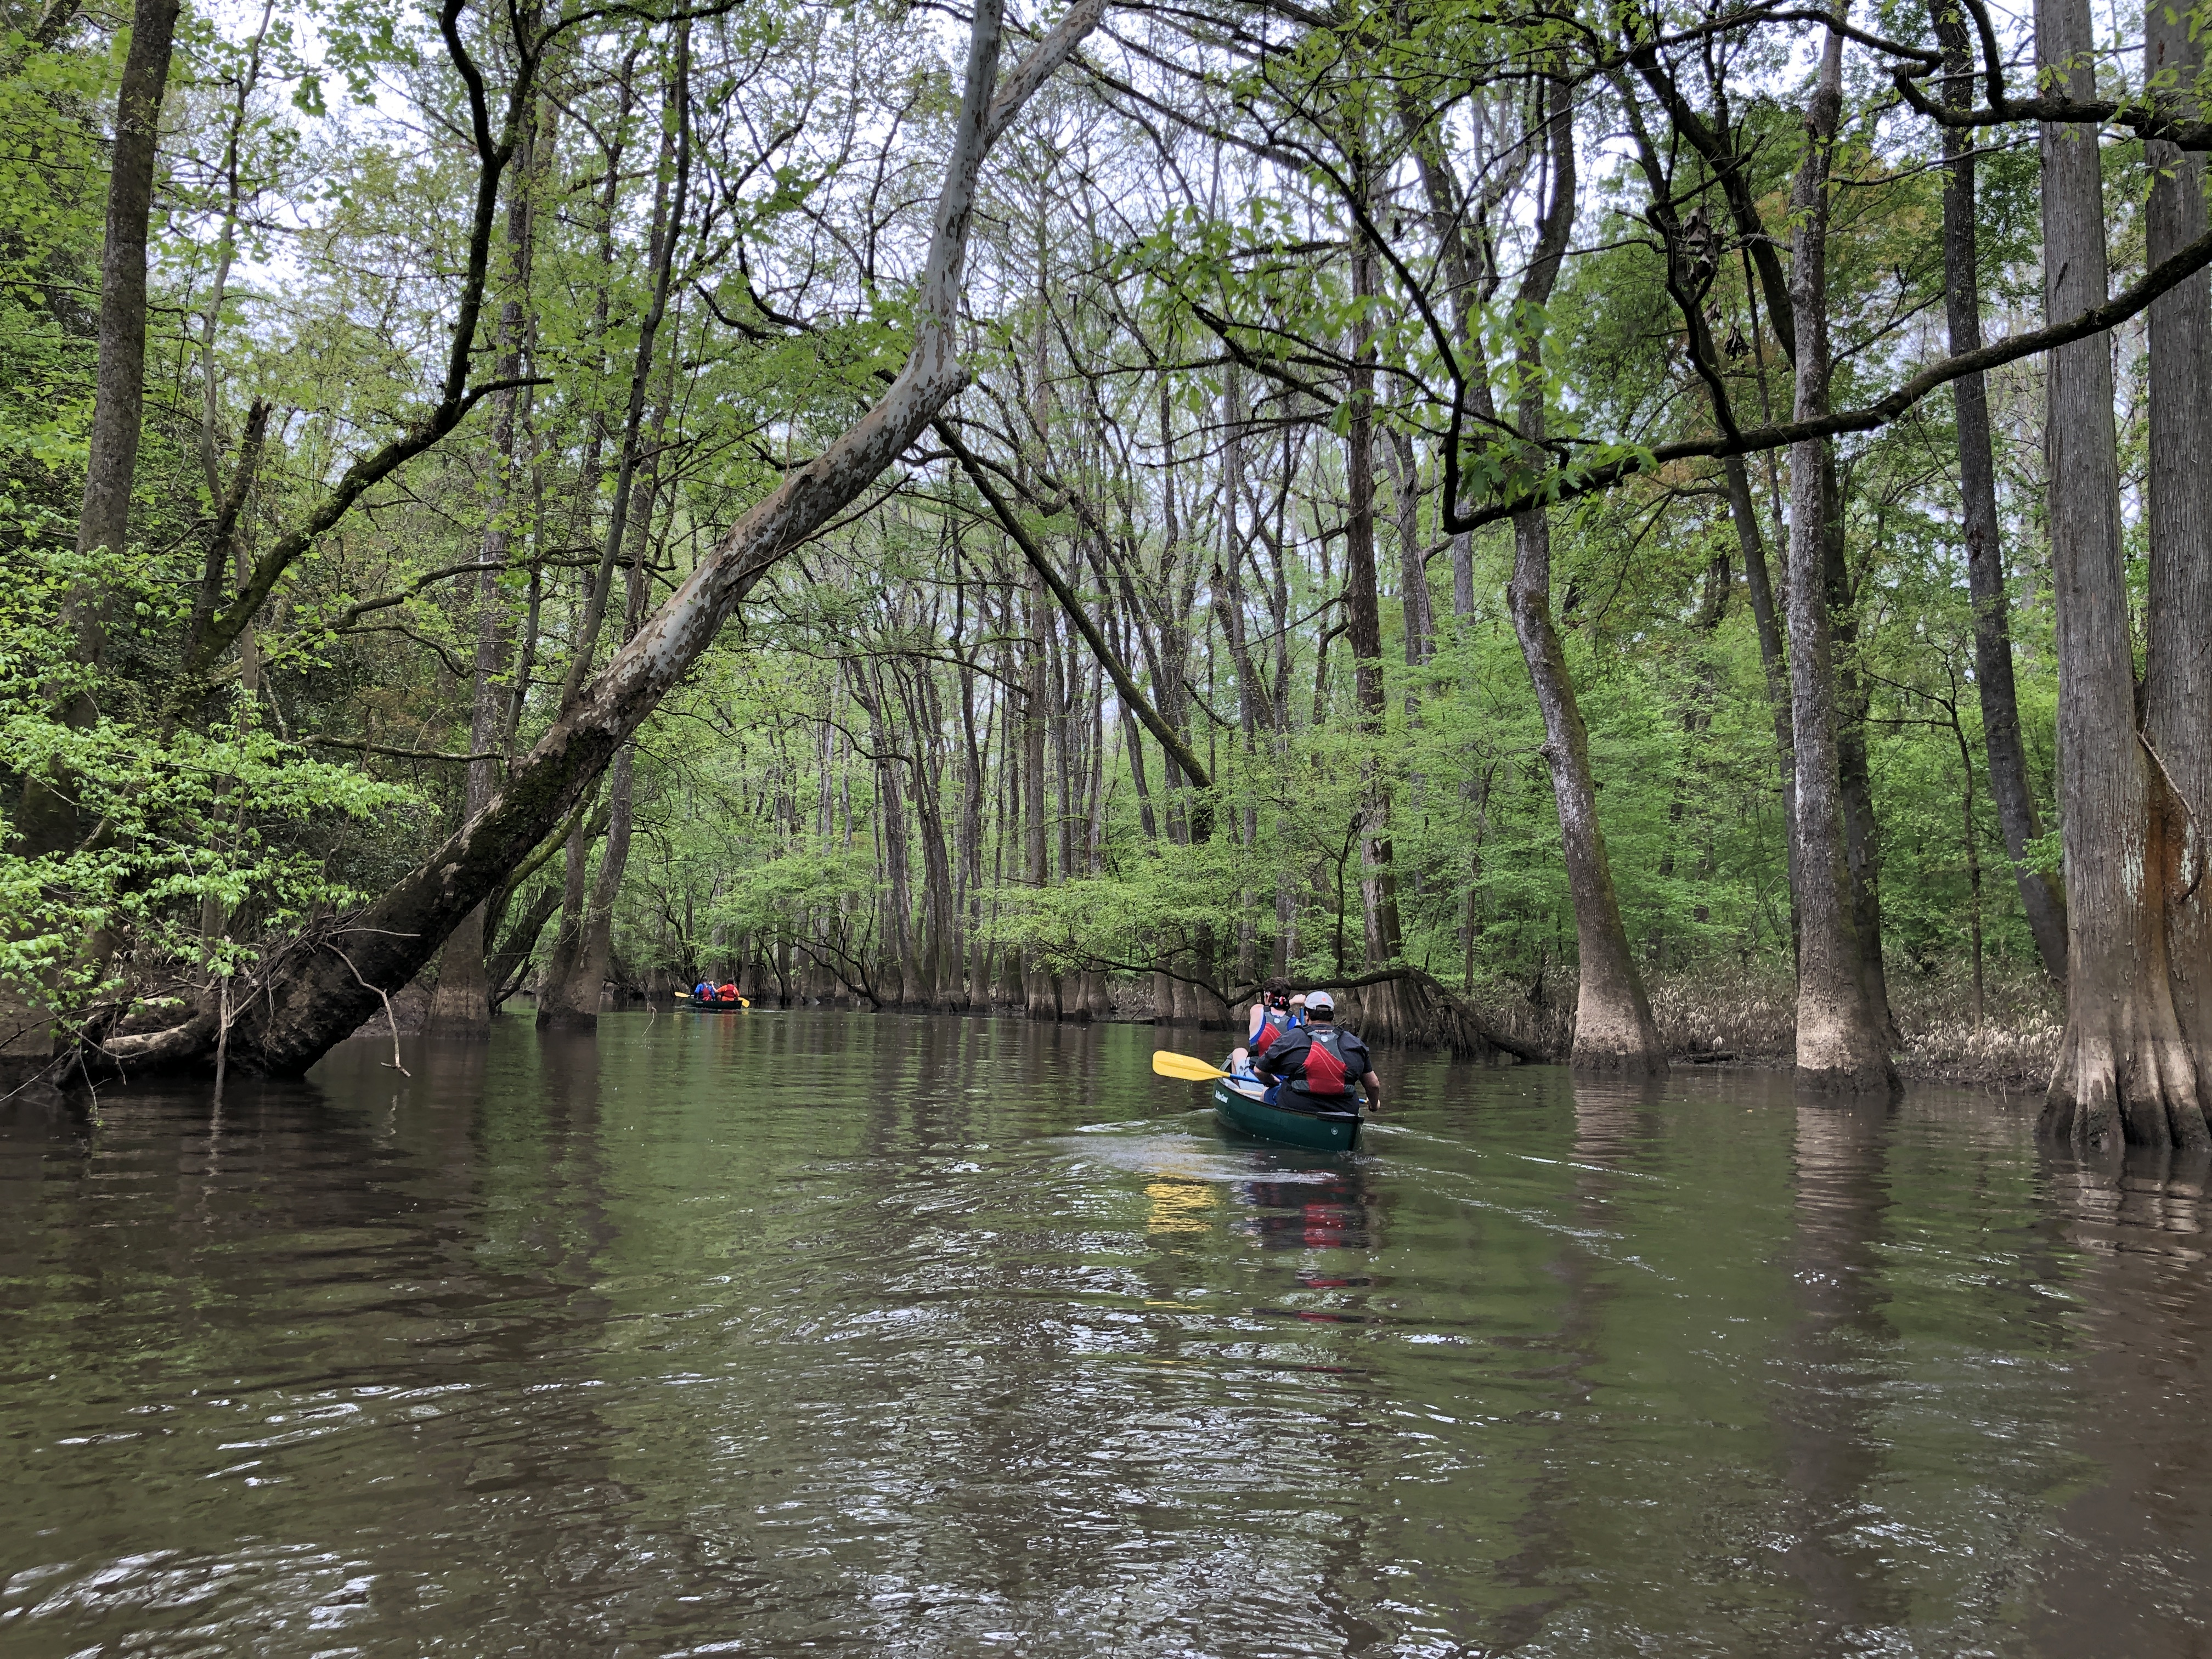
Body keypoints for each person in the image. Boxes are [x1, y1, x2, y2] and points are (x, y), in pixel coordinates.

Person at [1255, 990, 1384, 1114]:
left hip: (1297, 1108)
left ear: (1307, 1016)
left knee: (1267, 1093)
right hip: (1345, 1114)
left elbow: (1259, 1071)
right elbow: (1374, 1085)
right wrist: (1374, 1104)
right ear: (1332, 1016)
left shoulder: (1290, 1038)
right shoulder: (1356, 1044)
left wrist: (1273, 1083)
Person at [1229, 978, 1297, 1073]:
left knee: (1239, 1051)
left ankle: (1238, 1085)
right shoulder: (1296, 1021)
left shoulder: (1257, 1010)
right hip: (1281, 1077)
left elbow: (1271, 1008)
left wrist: (1292, 1002)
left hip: (1255, 1075)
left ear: (1268, 996)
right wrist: (1293, 1001)